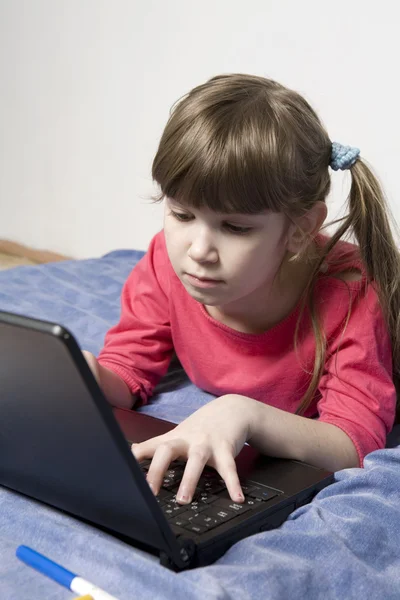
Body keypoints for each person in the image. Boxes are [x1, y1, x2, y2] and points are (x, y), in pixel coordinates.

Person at [83, 73, 400, 507]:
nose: (198, 251)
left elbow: (354, 441)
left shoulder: (353, 295)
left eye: (234, 227)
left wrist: (244, 413)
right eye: (181, 214)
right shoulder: (165, 261)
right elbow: (129, 368)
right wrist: (90, 378)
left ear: (300, 229)